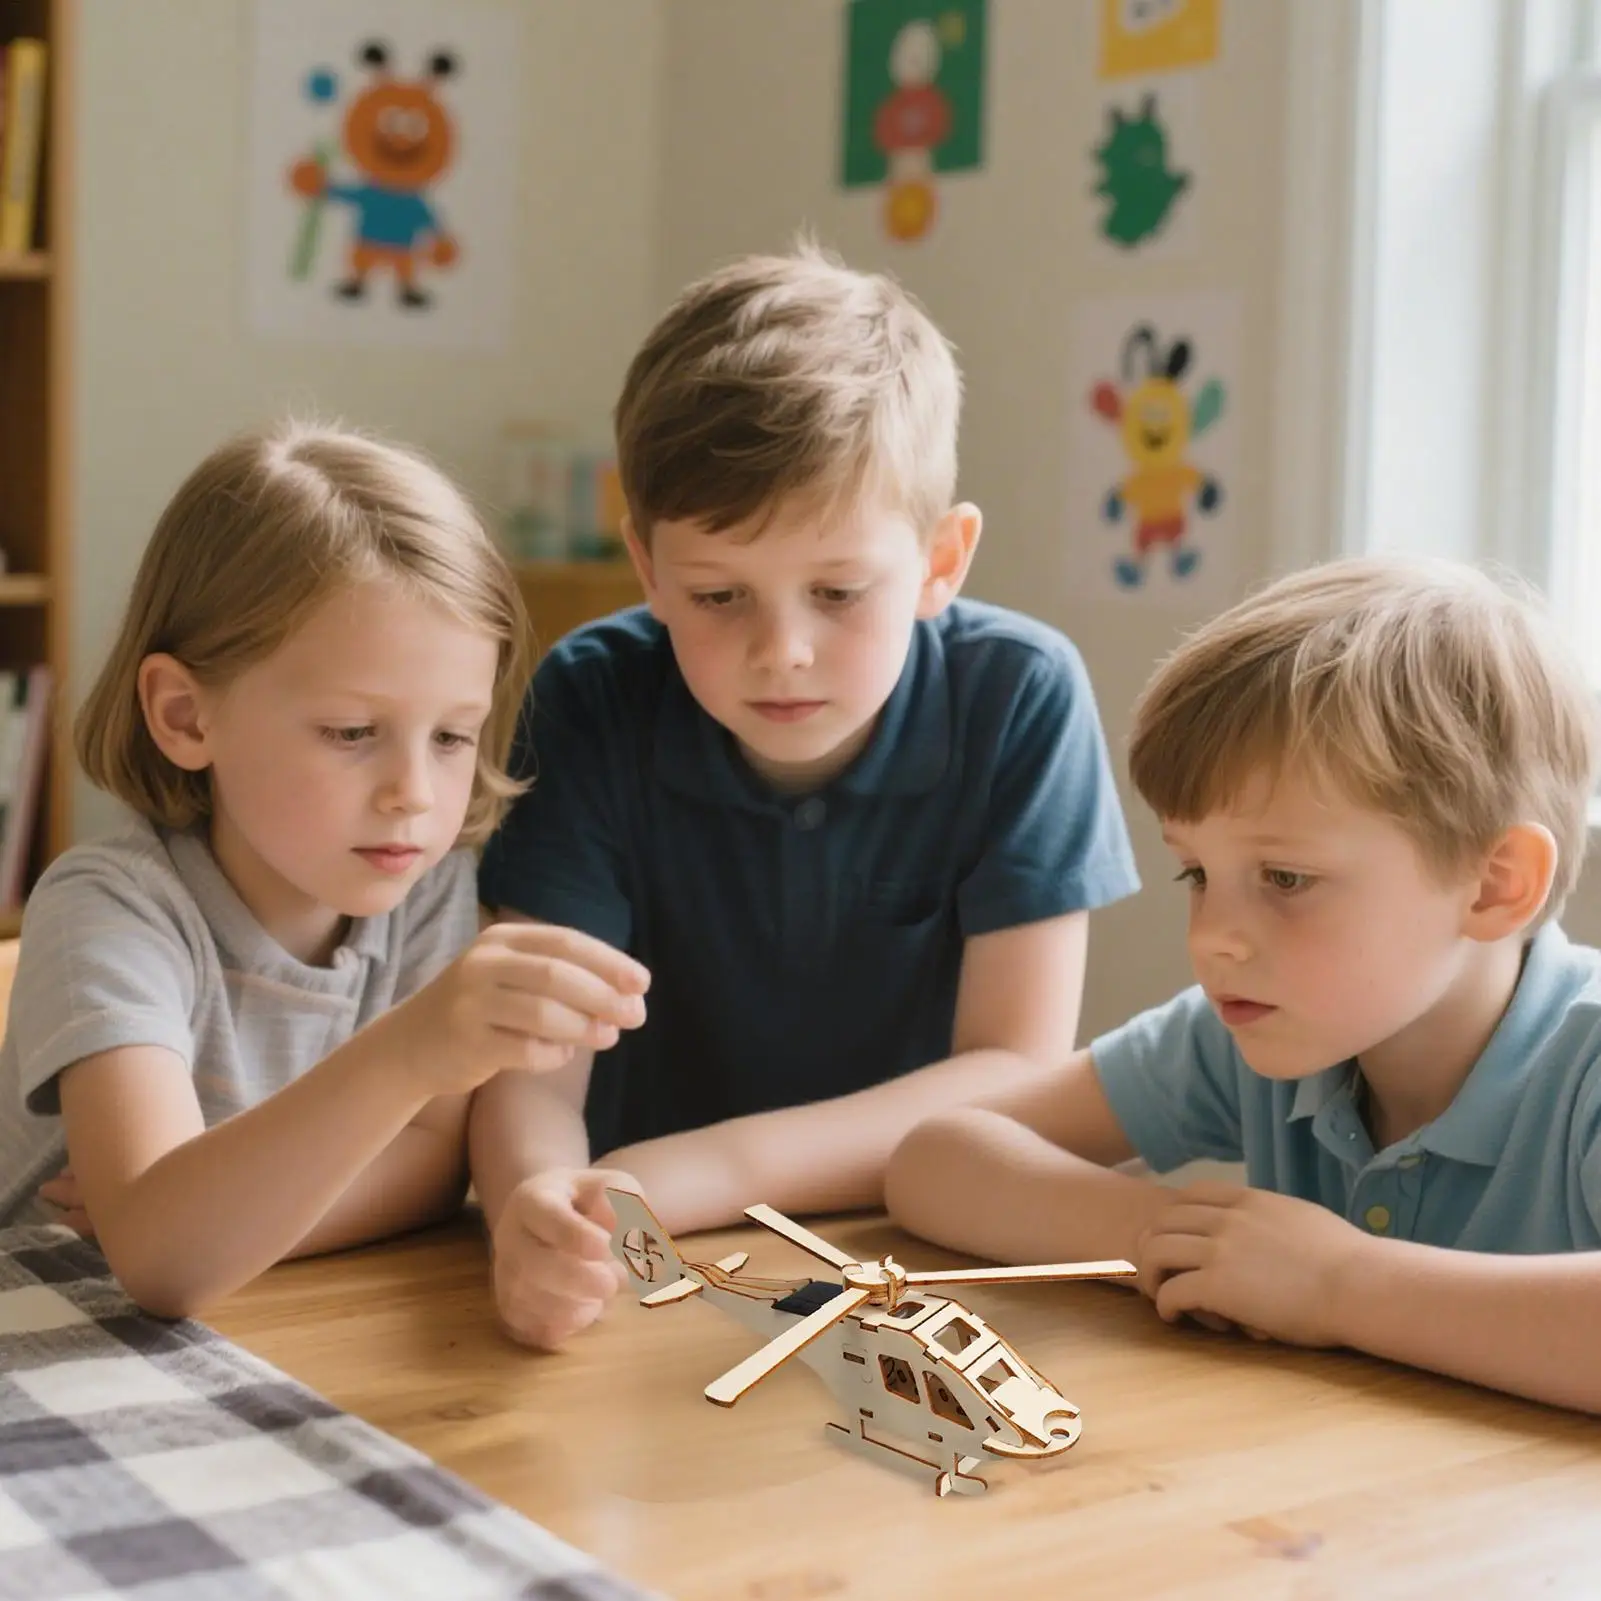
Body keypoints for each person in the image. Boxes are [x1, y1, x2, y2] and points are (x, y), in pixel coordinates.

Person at [472, 244, 1140, 1349]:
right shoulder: (591, 694)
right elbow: (533, 1061)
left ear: (940, 559)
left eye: (836, 591)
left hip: (915, 1258)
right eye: (716, 595)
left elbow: (1016, 1070)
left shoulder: (1019, 694)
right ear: (646, 566)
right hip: (644, 1263)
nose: (780, 649)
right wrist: (532, 1204)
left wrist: (704, 1168)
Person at [886, 554, 1601, 1414]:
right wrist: (1174, 1239)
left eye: (1285, 878)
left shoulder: (1586, 1065)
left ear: (1492, 885)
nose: (1210, 937)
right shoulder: (1250, 1030)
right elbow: (938, 1158)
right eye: (1195, 873)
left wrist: (1337, 1283)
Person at [0, 420, 647, 1317]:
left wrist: (224, 1219)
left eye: (452, 735)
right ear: (185, 715)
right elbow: (161, 1262)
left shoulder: (424, 891)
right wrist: (408, 1053)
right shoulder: (108, 909)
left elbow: (432, 1167)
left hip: (269, 1323)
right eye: (352, 732)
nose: (414, 794)